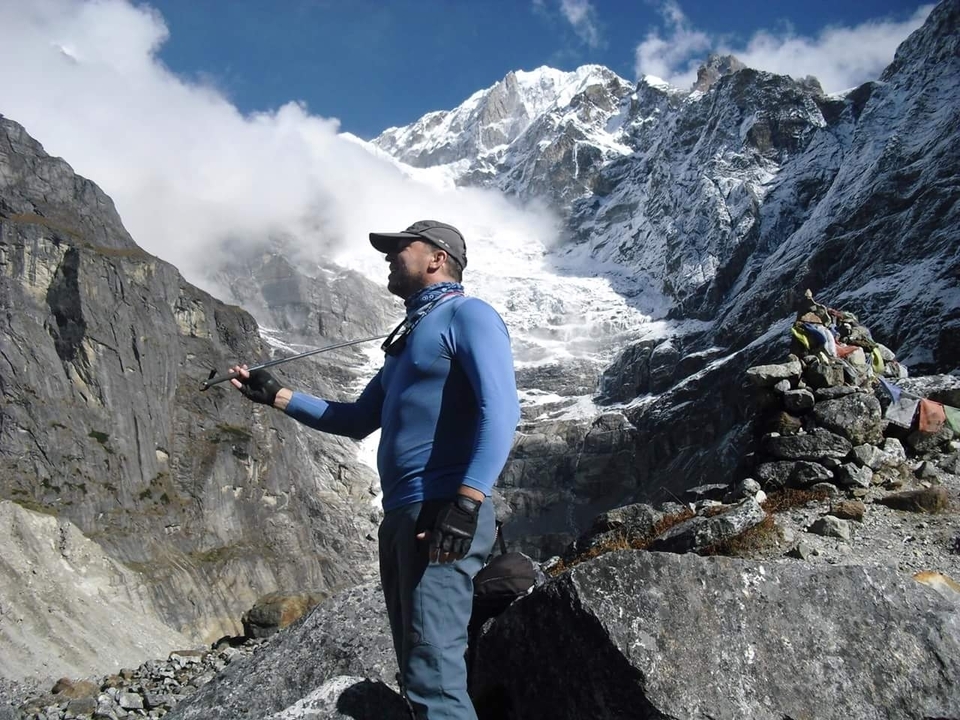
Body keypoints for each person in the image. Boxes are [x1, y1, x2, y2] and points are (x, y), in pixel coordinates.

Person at [229, 220, 520, 720]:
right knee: (415, 668)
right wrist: (278, 395)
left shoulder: (468, 315)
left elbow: (502, 410)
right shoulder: (409, 339)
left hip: (443, 510)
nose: (388, 256)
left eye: (400, 247)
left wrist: (467, 502)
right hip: (406, 515)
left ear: (437, 258)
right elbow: (359, 420)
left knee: (433, 673)